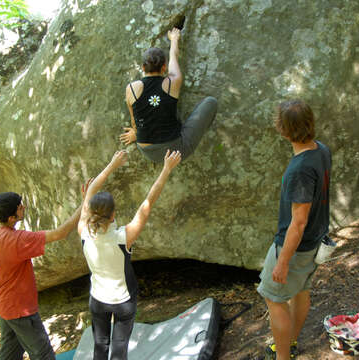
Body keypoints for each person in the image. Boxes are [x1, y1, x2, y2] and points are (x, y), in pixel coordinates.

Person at [78, 149, 181, 360]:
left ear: (89, 210)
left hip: (98, 300)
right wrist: (166, 170)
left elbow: (90, 193)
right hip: (123, 301)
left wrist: (112, 164)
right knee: (119, 348)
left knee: (100, 346)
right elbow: (148, 203)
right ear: (113, 214)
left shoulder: (83, 232)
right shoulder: (123, 237)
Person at [257, 100, 332, 359]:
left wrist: (282, 262)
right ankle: (291, 342)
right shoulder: (322, 150)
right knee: (301, 291)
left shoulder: (299, 170)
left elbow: (298, 222)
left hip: (296, 246)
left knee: (274, 298)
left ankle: (282, 356)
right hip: (316, 240)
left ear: (284, 131)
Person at [0, 184, 89, 360]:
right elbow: (60, 233)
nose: (24, 207)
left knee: (10, 352)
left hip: (3, 304)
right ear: (11, 217)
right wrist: (85, 202)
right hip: (19, 309)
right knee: (43, 354)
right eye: (20, 207)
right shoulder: (15, 241)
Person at [119, 27, 218, 163]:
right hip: (174, 152)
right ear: (164, 67)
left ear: (143, 67)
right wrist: (174, 39)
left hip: (146, 151)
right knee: (211, 102)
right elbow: (174, 57)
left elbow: (134, 120)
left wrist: (136, 133)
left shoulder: (131, 88)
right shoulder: (172, 82)